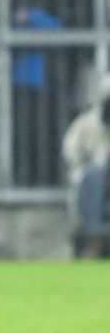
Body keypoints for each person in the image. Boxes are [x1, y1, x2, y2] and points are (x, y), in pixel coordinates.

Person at [62, 80, 110, 258]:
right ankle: (93, 237)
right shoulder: (87, 123)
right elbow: (70, 149)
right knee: (93, 175)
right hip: (91, 179)